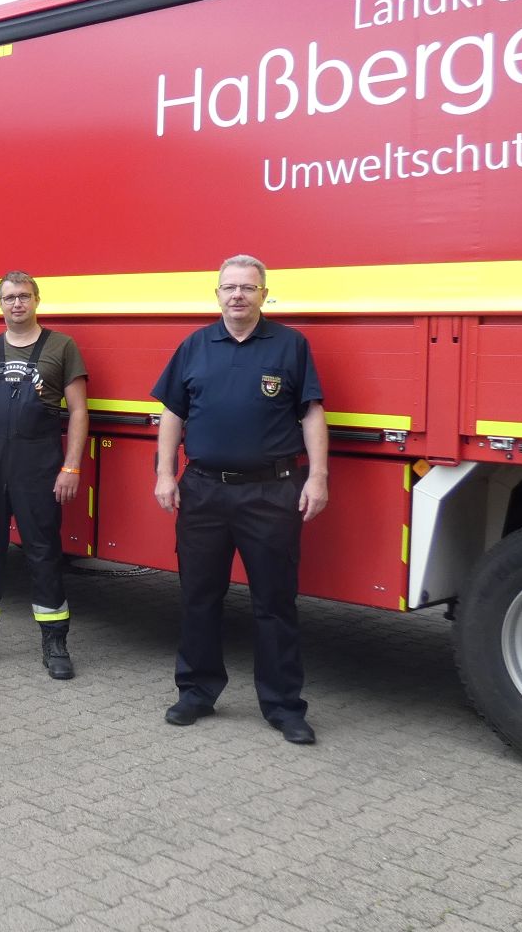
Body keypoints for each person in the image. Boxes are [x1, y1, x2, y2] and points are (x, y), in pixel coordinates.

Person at [153, 255, 328, 745]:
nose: (237, 295)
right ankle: (197, 691)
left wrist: (318, 477)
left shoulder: (291, 345)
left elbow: (311, 414)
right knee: (199, 596)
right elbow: (171, 414)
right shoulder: (194, 346)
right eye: (229, 287)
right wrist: (166, 474)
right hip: (203, 490)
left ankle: (283, 706)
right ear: (217, 294)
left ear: (264, 293)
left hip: (271, 491)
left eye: (247, 288)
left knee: (275, 602)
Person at [0, 271, 89, 679]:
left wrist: (71, 465)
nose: (16, 304)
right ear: (0, 304)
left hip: (39, 458)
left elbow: (79, 410)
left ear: (36, 300)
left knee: (43, 548)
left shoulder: (61, 347)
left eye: (23, 296)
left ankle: (55, 641)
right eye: (9, 297)